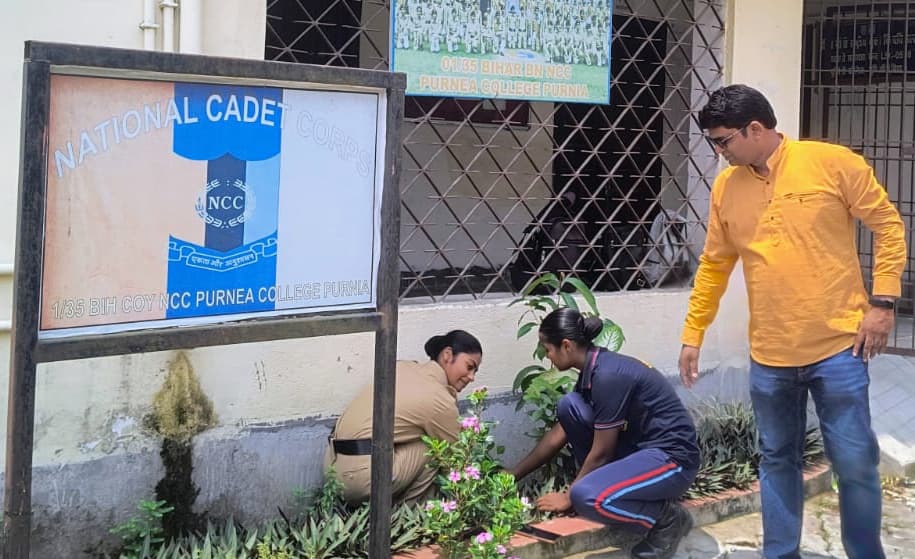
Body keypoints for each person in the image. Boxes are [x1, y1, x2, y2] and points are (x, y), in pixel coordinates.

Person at [678, 84, 906, 559]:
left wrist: (882, 303)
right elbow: (714, 265)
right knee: (778, 459)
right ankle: (780, 554)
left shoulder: (831, 163)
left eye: (723, 142)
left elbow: (887, 225)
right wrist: (693, 333)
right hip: (770, 355)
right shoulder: (727, 187)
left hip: (839, 347)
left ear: (755, 128)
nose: (718, 153)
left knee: (855, 462)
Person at [507, 308, 699, 559]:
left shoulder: (609, 375)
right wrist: (512, 475)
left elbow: (602, 452)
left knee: (588, 497)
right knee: (571, 405)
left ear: (565, 345)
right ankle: (599, 486)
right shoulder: (594, 368)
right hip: (641, 451)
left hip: (673, 461)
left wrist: (570, 496)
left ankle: (667, 519)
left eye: (548, 349)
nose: (547, 356)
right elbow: (561, 431)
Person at [325, 330, 482, 505]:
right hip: (360, 479)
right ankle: (407, 521)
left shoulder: (403, 367)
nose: (471, 377)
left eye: (475, 371)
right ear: (447, 355)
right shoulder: (439, 399)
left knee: (417, 438)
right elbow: (457, 459)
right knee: (435, 449)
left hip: (332, 467)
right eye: (469, 367)